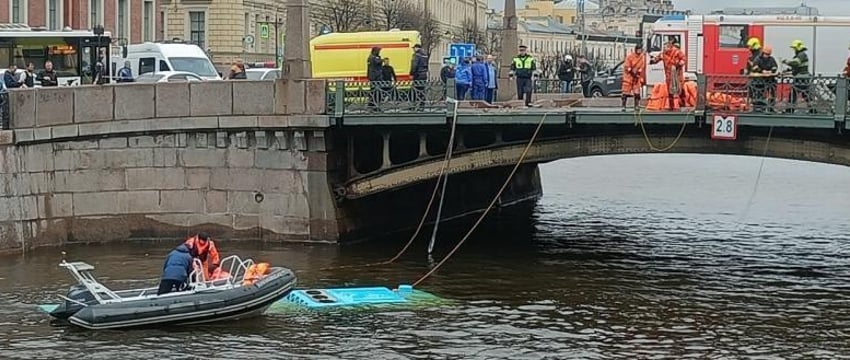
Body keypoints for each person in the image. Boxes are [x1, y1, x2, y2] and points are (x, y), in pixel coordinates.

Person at [650, 39, 686, 110]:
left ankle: (683, 105)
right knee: (670, 91)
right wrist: (652, 61)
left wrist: (680, 63)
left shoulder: (677, 52)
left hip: (677, 74)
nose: (664, 48)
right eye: (664, 47)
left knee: (680, 89)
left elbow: (683, 59)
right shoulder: (663, 54)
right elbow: (657, 59)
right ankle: (671, 106)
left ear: (670, 47)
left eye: (666, 47)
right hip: (668, 75)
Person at [782, 39, 811, 113]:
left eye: (794, 48)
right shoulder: (800, 55)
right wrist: (788, 70)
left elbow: (796, 63)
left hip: (801, 78)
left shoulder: (801, 55)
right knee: (805, 94)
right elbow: (797, 66)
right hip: (801, 77)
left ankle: (789, 109)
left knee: (794, 94)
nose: (794, 49)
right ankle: (812, 109)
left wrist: (786, 61)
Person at [752, 46, 778, 113]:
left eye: (768, 54)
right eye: (766, 54)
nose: (767, 56)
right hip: (760, 80)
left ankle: (771, 108)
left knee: (772, 93)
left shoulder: (771, 59)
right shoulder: (758, 59)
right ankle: (758, 108)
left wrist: (771, 71)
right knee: (759, 93)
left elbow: (775, 67)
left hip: (770, 79)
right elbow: (754, 68)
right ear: (763, 53)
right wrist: (762, 71)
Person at [622, 44, 645, 110]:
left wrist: (638, 73)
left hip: (636, 77)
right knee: (625, 92)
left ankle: (636, 105)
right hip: (628, 76)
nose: (639, 51)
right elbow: (627, 66)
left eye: (640, 50)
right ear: (636, 50)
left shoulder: (641, 57)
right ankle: (624, 106)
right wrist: (631, 72)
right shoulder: (630, 57)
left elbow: (641, 67)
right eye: (638, 50)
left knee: (637, 92)